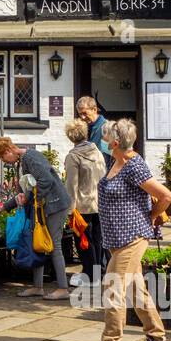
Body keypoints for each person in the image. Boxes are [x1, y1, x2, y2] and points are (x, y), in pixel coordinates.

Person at [88, 118, 171, 341]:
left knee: (112, 287)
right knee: (137, 291)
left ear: (115, 142)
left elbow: (166, 196)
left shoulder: (134, 165)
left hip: (132, 236)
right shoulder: (116, 162)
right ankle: (157, 340)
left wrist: (151, 217)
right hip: (118, 237)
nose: (103, 140)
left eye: (105, 137)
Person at [0, 135, 71, 299]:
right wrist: (4, 207)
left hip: (55, 206)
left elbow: (45, 181)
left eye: (2, 157)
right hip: (44, 207)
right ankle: (37, 287)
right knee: (37, 243)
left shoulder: (31, 157)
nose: (4, 161)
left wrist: (29, 198)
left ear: (8, 151)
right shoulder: (22, 161)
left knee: (54, 245)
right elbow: (24, 191)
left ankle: (63, 289)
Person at [63, 118, 107, 286]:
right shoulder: (97, 152)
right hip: (99, 203)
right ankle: (98, 274)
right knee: (97, 240)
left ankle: (89, 275)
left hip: (82, 206)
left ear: (70, 137)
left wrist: (69, 211)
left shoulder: (73, 157)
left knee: (83, 242)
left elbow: (71, 186)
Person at [76, 96, 111, 167]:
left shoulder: (107, 127)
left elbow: (112, 156)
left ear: (94, 109)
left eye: (84, 113)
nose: (82, 117)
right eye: (80, 114)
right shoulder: (82, 127)